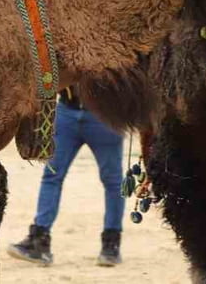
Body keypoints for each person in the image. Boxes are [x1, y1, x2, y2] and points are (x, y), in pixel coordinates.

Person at [7, 88, 124, 268]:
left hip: (104, 114)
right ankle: (39, 239)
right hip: (66, 111)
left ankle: (111, 244)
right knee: (52, 175)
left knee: (113, 181)